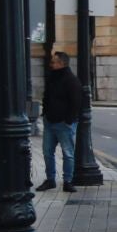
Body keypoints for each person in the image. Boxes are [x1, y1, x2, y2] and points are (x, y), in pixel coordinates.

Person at [38, 50, 85, 192]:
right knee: (47, 153)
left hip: (64, 124)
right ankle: (50, 179)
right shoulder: (52, 78)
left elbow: (76, 103)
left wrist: (69, 121)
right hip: (50, 122)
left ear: (61, 63)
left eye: (53, 62)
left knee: (68, 154)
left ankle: (68, 181)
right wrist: (45, 113)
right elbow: (46, 97)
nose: (50, 64)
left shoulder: (71, 80)